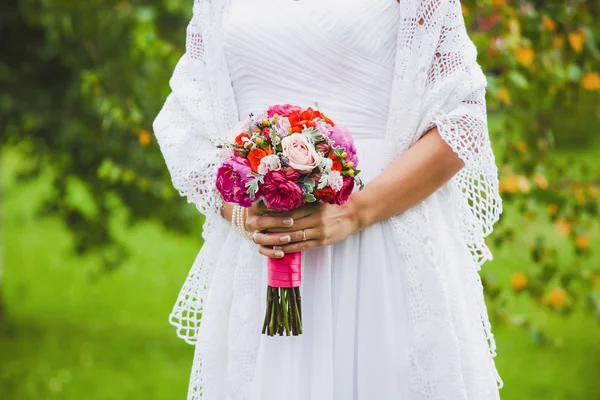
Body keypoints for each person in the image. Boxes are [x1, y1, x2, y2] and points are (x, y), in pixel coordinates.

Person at [153, 0, 503, 399]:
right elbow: (185, 122)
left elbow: (463, 122)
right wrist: (242, 214)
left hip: (380, 245)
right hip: (261, 258)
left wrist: (354, 212)